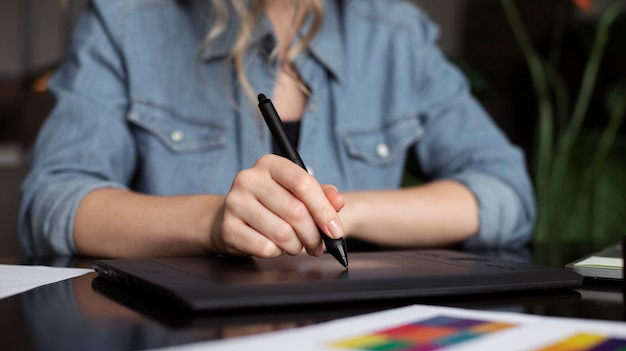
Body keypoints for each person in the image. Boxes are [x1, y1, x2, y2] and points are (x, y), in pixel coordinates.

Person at [19, 0, 535, 259]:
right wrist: (212, 221)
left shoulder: (395, 35)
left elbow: (505, 195)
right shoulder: (127, 21)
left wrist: (337, 212)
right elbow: (55, 202)